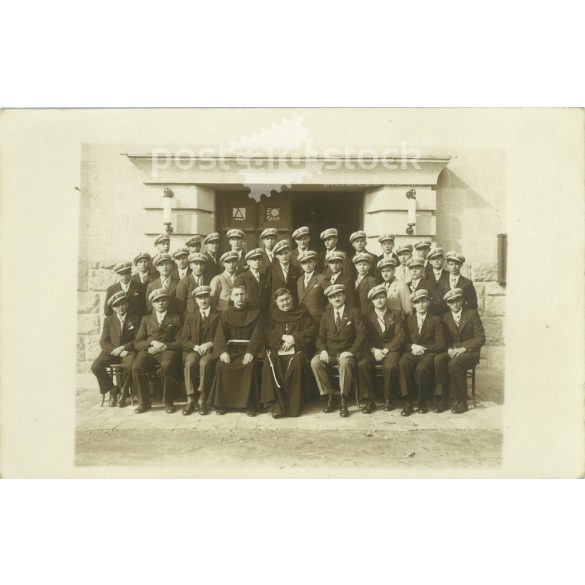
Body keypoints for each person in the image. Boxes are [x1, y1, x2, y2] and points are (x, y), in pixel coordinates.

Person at [207, 285, 265, 416]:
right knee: (222, 365)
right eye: (237, 295)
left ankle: (250, 404)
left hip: (249, 350)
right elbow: (220, 335)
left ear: (247, 296)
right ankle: (222, 404)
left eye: (242, 294)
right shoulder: (225, 315)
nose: (240, 297)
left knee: (251, 366)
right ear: (231, 298)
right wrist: (222, 351)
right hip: (231, 350)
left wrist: (251, 352)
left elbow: (258, 334)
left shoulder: (256, 313)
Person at [310, 284, 366, 417]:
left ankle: (343, 399)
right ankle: (329, 395)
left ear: (344, 296)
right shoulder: (326, 316)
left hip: (347, 352)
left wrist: (351, 351)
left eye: (339, 295)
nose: (337, 298)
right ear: (329, 300)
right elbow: (320, 337)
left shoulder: (353, 313)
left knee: (345, 364)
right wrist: (323, 350)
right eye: (333, 297)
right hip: (329, 353)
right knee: (315, 362)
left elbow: (362, 334)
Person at [260, 288, 315, 418]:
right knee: (270, 362)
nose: (285, 303)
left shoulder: (303, 313)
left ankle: (293, 407)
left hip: (297, 351)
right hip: (277, 350)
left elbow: (311, 331)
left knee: (297, 362)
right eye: (281, 301)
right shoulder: (272, 316)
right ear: (277, 303)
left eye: (287, 299)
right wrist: (282, 337)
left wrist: (294, 339)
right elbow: (267, 332)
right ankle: (275, 406)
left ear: (292, 299)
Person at [434, 288, 486, 414]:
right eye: (451, 302)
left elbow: (481, 338)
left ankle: (461, 401)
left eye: (457, 300)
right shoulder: (445, 317)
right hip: (453, 350)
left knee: (454, 363)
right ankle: (443, 399)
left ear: (462, 300)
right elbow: (444, 339)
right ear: (447, 304)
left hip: (470, 353)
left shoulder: (471, 314)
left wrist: (464, 348)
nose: (455, 304)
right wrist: (449, 349)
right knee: (438, 359)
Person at [132, 288, 183, 414]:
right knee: (137, 366)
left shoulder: (176, 318)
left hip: (168, 350)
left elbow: (180, 341)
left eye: (163, 300)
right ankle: (144, 403)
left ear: (168, 302)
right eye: (157, 301)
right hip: (149, 350)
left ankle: (168, 402)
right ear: (153, 304)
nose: (161, 303)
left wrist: (163, 346)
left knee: (167, 365)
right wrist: (151, 343)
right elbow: (137, 342)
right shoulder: (146, 319)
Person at [357, 285, 405, 413]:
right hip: (373, 350)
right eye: (376, 298)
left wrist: (386, 349)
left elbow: (400, 336)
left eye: (382, 297)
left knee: (390, 367)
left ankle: (389, 399)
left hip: (391, 349)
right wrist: (374, 350)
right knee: (363, 364)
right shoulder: (366, 317)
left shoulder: (396, 314)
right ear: (372, 301)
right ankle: (369, 401)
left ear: (386, 299)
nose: (379, 300)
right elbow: (364, 337)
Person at [398, 289, 446, 416]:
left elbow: (441, 343)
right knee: (403, 363)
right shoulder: (409, 319)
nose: (421, 305)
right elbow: (403, 341)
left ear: (428, 303)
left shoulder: (435, 319)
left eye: (423, 301)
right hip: (412, 351)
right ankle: (407, 402)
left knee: (421, 369)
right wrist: (412, 347)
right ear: (413, 305)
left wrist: (423, 349)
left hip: (428, 353)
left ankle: (421, 401)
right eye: (417, 302)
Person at [91, 291, 141, 407]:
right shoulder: (108, 320)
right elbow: (103, 341)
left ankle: (123, 392)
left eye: (123, 303)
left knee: (130, 366)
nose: (121, 307)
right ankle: (113, 389)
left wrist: (124, 348)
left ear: (127, 304)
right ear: (113, 308)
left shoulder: (135, 318)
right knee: (95, 366)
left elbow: (138, 339)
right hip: (112, 352)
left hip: (128, 351)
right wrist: (115, 350)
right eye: (117, 305)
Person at [179, 285, 220, 416]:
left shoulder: (218, 315)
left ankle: (202, 398)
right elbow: (184, 339)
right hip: (194, 350)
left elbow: (223, 336)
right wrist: (195, 347)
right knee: (190, 362)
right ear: (196, 300)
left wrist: (210, 343)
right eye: (200, 298)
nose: (203, 301)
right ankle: (190, 398)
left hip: (211, 350)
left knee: (204, 364)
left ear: (210, 298)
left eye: (206, 297)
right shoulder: (190, 317)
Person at [296, 250, 328, 327]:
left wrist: (325, 315)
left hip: (317, 319)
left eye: (309, 262)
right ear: (301, 265)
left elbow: (331, 299)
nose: (307, 265)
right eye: (304, 263)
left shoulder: (321, 278)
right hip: (303, 318)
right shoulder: (299, 280)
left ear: (314, 263)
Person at [270, 240, 302, 307]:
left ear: (290, 253)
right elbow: (269, 291)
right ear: (276, 256)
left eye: (285, 253)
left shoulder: (296, 270)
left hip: (292, 305)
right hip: (276, 307)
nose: (284, 256)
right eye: (280, 254)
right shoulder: (271, 270)